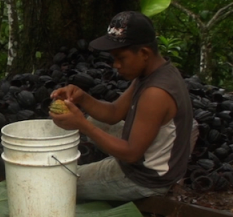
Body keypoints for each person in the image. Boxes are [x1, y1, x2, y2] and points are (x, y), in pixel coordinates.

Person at [49, 11, 194, 201]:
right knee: (94, 120)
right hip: (151, 154)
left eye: (121, 58)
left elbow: (131, 154)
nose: (115, 65)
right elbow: (114, 112)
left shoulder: (155, 93)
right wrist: (82, 98)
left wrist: (82, 125)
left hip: (145, 176)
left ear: (143, 53)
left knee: (58, 181)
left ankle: (21, 174)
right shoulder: (153, 71)